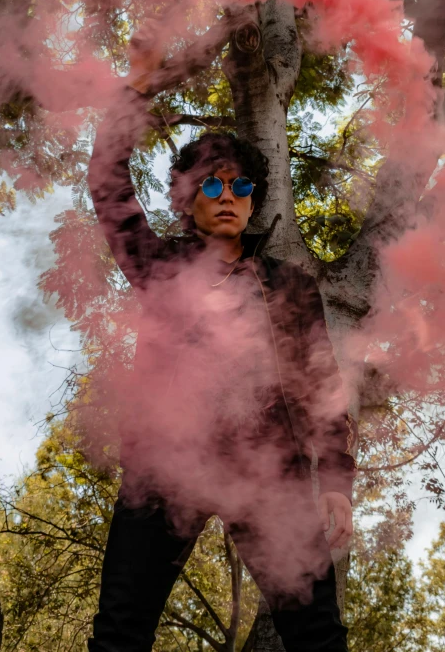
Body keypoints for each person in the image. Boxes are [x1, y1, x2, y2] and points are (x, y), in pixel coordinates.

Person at [87, 122, 357, 652]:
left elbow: (321, 383)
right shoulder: (159, 265)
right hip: (166, 472)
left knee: (318, 636)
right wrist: (134, 91)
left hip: (267, 474)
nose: (228, 196)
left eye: (240, 186)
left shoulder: (292, 285)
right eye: (211, 185)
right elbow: (107, 185)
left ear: (254, 201)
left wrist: (334, 480)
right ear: (188, 200)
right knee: (120, 631)